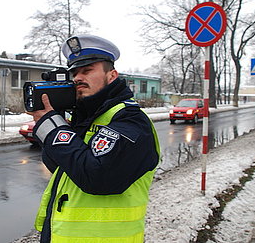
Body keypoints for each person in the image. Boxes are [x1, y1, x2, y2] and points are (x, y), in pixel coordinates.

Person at [27, 34, 160, 242]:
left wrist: (54, 129)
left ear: (112, 75)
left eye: (87, 70)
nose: (78, 78)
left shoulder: (131, 121)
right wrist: (58, 121)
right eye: (75, 73)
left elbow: (97, 177)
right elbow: (59, 165)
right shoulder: (86, 117)